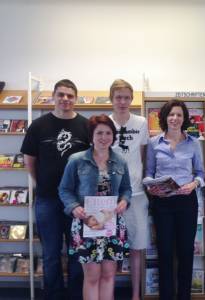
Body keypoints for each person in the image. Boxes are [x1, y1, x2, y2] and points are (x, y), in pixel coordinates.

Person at [21, 79, 89, 300]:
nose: (65, 99)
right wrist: (41, 184)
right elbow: (29, 160)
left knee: (77, 252)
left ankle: (76, 295)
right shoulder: (38, 126)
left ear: (75, 99)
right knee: (50, 254)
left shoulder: (86, 126)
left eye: (70, 95)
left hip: (77, 202)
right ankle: (54, 296)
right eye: (61, 94)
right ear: (54, 96)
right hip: (47, 199)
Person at [59, 114, 131, 300]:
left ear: (113, 136)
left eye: (108, 133)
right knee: (91, 276)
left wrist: (124, 201)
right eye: (99, 133)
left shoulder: (120, 161)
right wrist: (74, 207)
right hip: (86, 224)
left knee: (108, 275)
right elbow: (64, 190)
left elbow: (126, 189)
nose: (104, 137)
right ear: (91, 135)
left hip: (112, 225)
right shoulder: (77, 160)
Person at [145, 99, 205, 300]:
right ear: (164, 117)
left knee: (186, 252)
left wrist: (194, 184)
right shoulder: (154, 143)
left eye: (179, 115)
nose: (175, 118)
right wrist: (152, 188)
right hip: (162, 202)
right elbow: (148, 174)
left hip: (187, 202)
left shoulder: (193, 143)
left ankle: (184, 296)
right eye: (171, 114)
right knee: (165, 252)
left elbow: (200, 174)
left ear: (184, 118)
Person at [108, 79, 149, 300]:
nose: (122, 102)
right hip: (110, 196)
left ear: (132, 99)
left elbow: (143, 156)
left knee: (136, 247)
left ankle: (135, 295)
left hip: (137, 193)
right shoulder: (105, 123)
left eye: (126, 97)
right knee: (111, 248)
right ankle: (109, 293)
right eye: (118, 97)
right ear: (111, 99)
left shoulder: (141, 122)